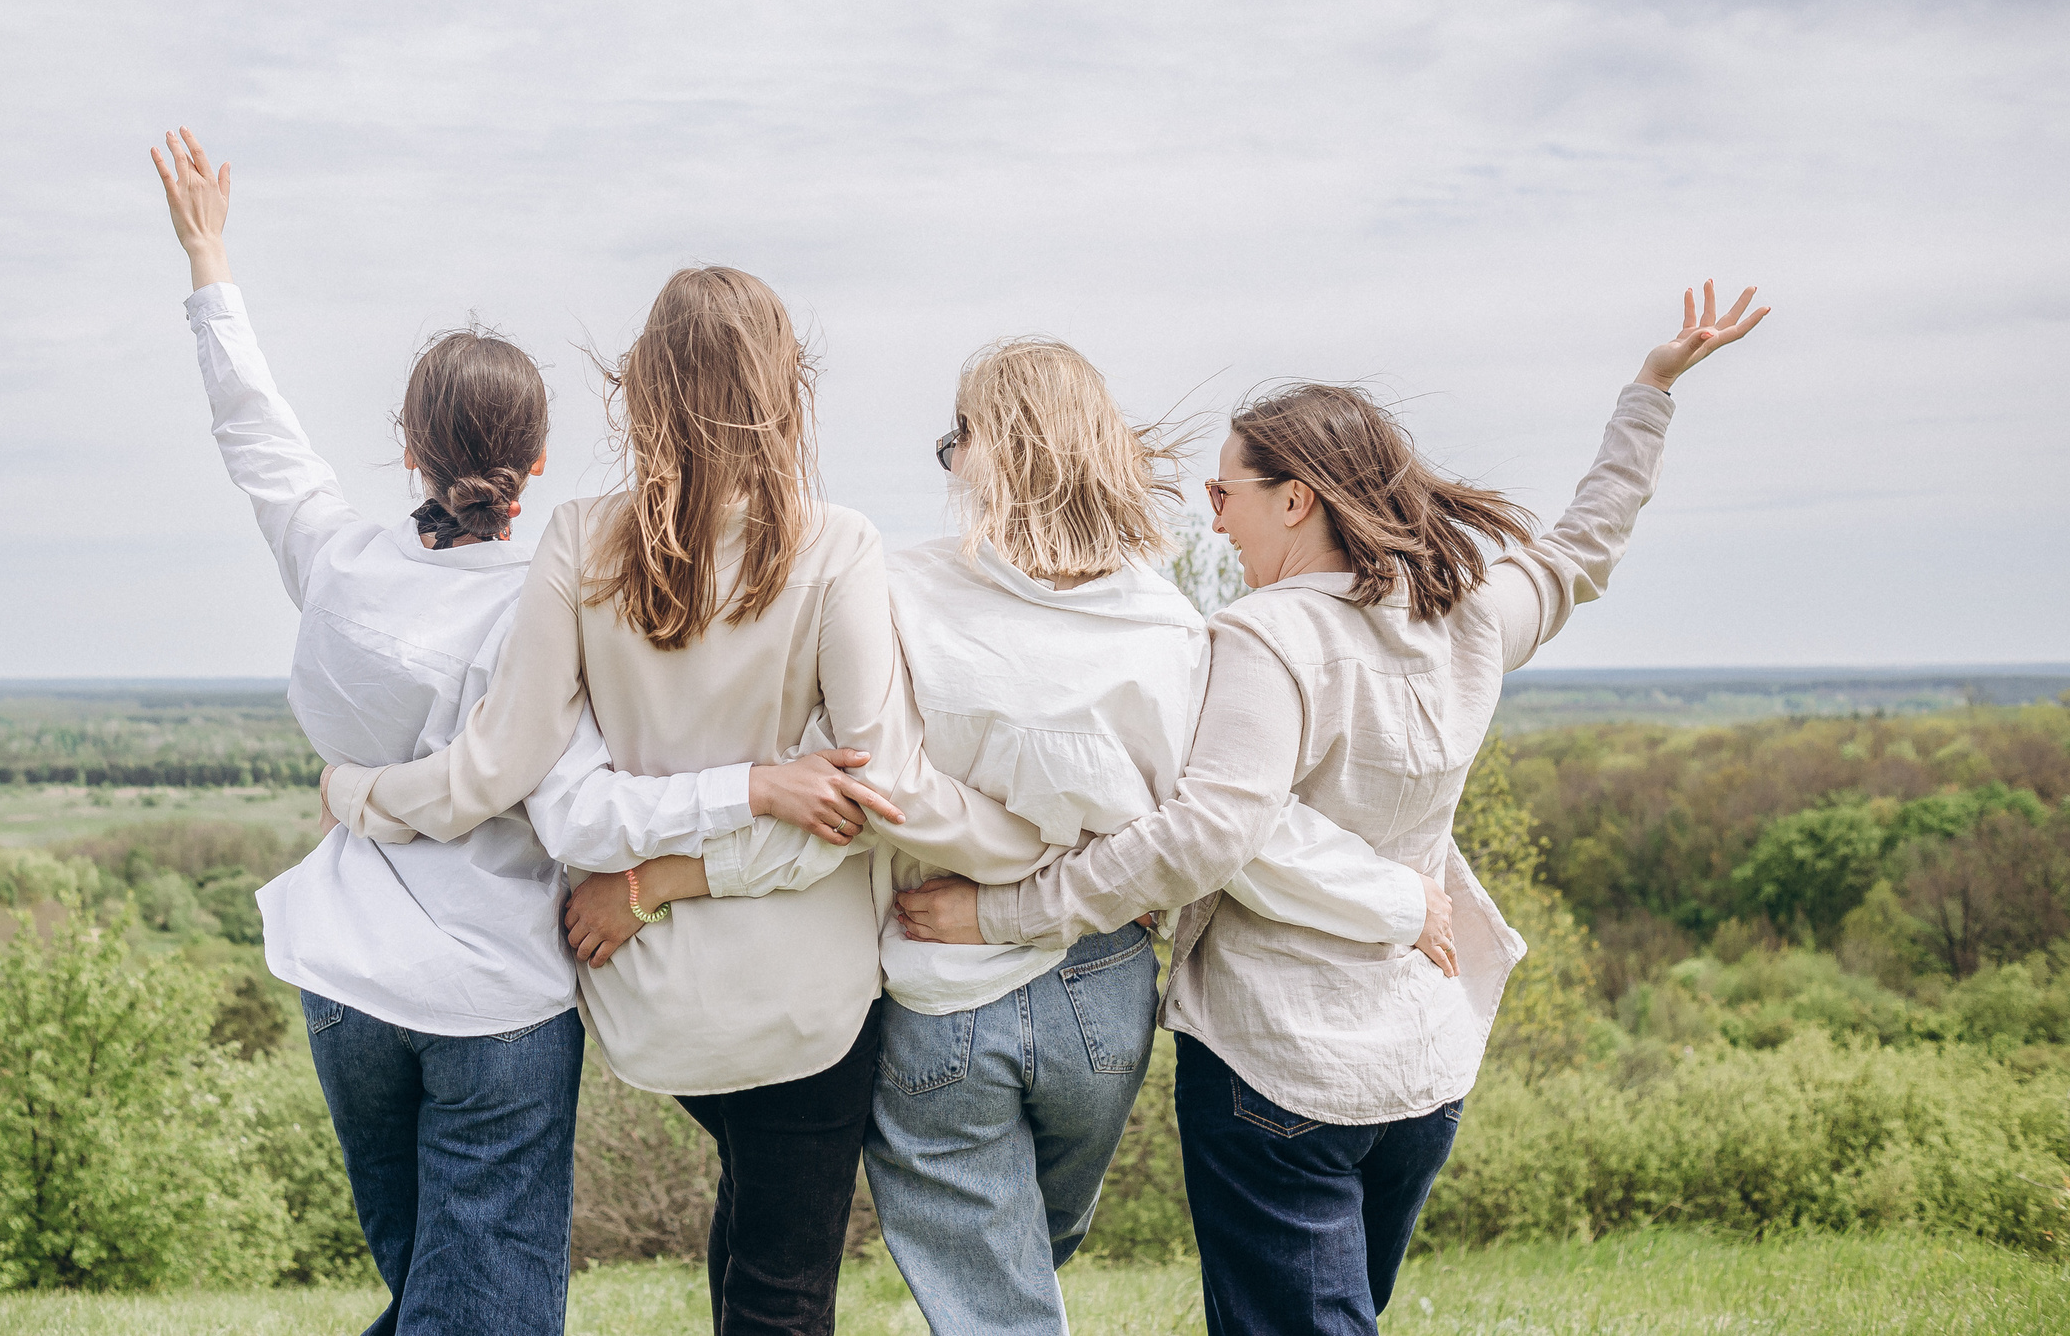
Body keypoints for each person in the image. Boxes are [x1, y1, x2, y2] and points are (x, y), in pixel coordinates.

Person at [896, 284, 1770, 1336]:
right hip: (1423, 1065)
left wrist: (1003, 912)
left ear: (1295, 499)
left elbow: (1208, 831)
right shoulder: (1469, 618)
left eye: (1227, 492)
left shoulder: (1260, 638)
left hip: (1279, 1064)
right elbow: (1583, 548)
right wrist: (1648, 394)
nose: (1208, 513)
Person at [153, 132, 894, 1336]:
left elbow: (258, 434)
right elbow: (560, 792)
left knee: (428, 1292)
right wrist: (755, 786)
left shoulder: (340, 562)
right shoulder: (558, 585)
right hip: (495, 991)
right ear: (539, 461)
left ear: (405, 444)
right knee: (481, 1306)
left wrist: (209, 265)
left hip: (339, 976)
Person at [563, 337, 1453, 1336]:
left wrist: (668, 875)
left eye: (956, 439)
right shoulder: (1172, 627)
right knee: (1038, 1247)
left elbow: (837, 809)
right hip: (1104, 995)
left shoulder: (896, 596)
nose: (948, 462)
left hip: (947, 990)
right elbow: (1229, 831)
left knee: (998, 1293)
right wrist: (1396, 897)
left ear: (987, 452)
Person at [325, 265, 1060, 1336]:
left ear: (638, 388)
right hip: (809, 1007)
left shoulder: (579, 537)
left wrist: (357, 792)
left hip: (646, 996)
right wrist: (1034, 856)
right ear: (786, 387)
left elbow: (499, 773)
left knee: (746, 1214)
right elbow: (874, 791)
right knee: (781, 1287)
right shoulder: (838, 543)